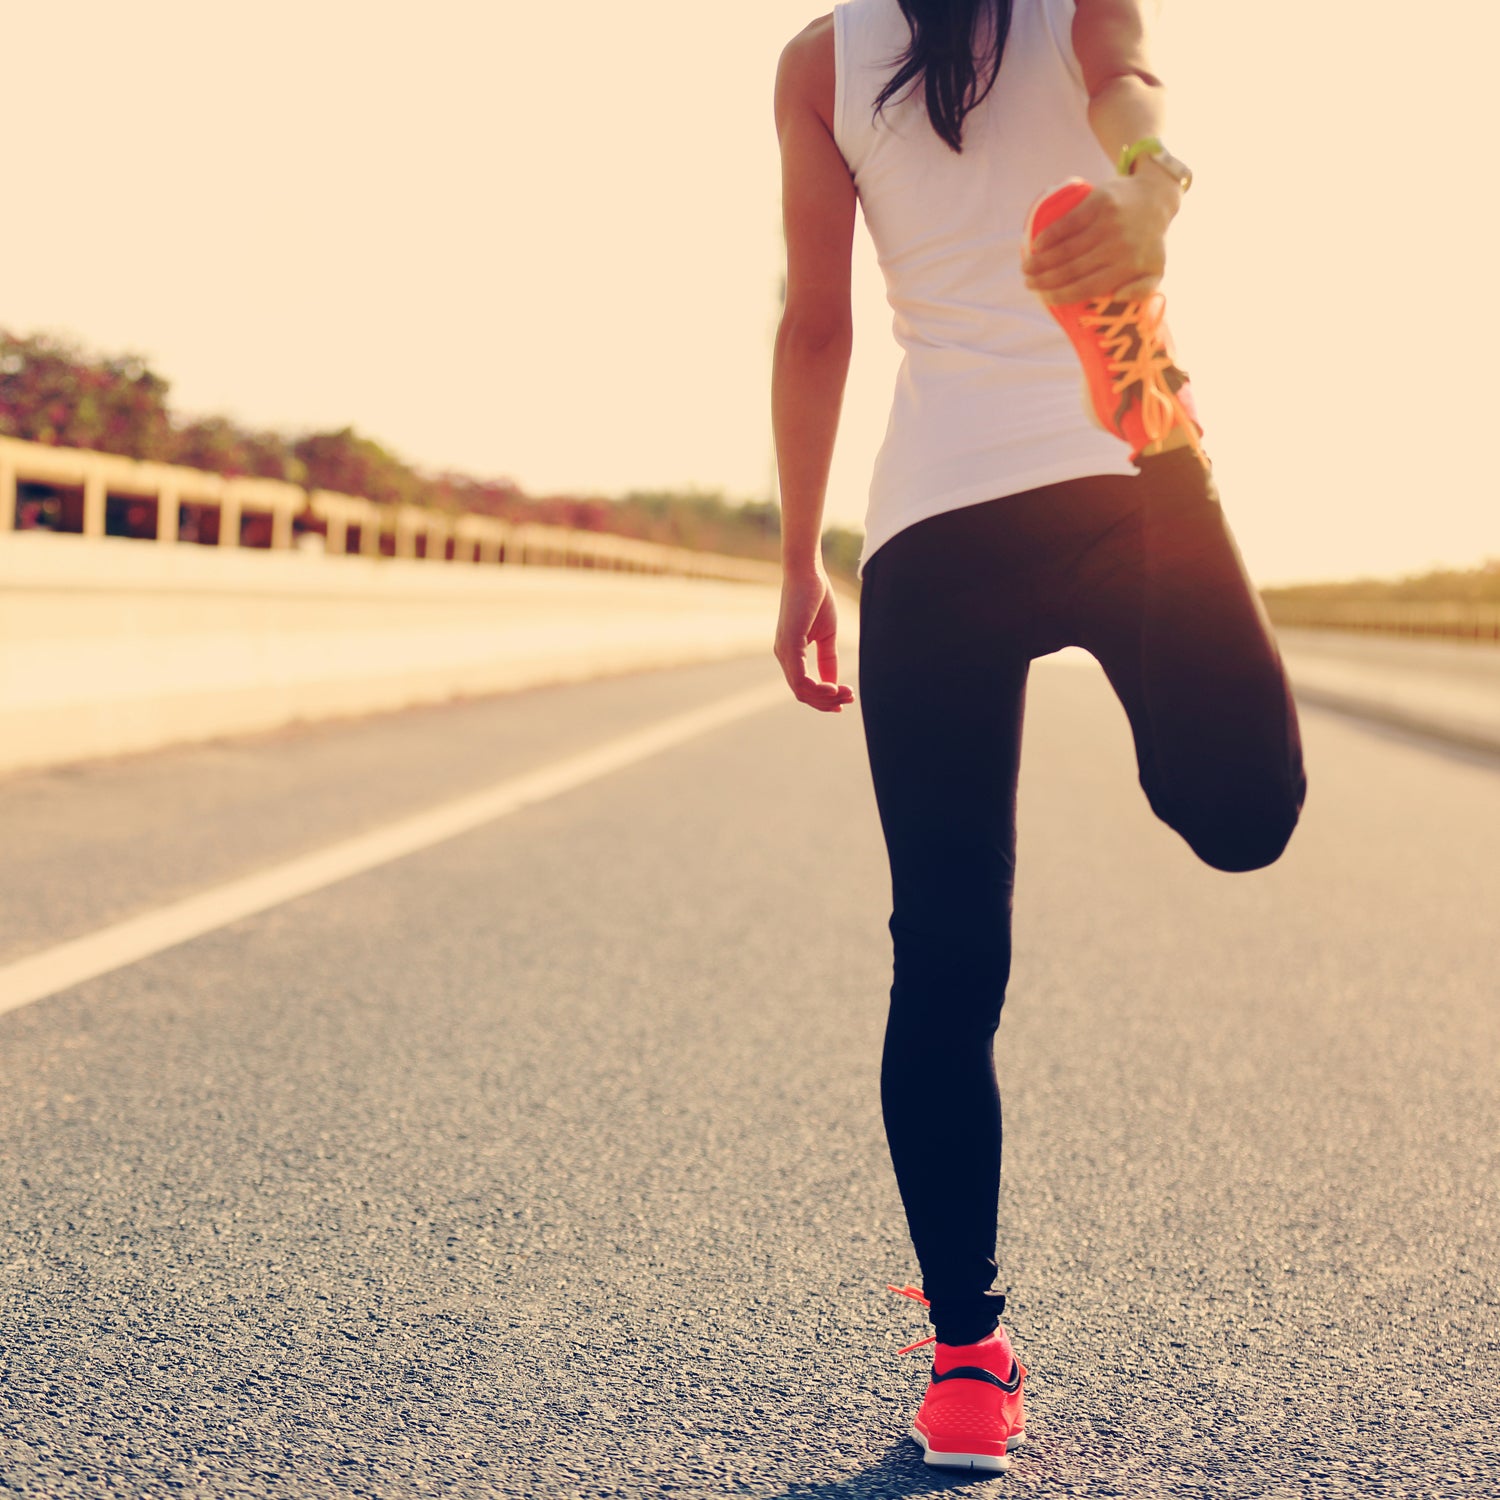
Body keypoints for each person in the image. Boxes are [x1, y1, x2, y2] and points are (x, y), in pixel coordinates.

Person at [770, 0, 1307, 1473]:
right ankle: (1159, 415)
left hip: (933, 528)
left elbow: (817, 321)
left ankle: (965, 1365)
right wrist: (1149, 188)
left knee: (944, 956)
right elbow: (1130, 90)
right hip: (1117, 489)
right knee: (1245, 814)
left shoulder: (819, 60)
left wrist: (801, 558)